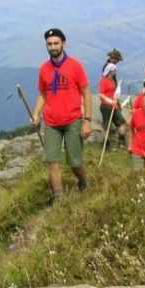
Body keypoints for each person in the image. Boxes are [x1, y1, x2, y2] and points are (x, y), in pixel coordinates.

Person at [30, 28, 92, 202]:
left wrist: (87, 121)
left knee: (75, 162)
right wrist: (36, 114)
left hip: (73, 120)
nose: (53, 47)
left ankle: (84, 183)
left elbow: (86, 92)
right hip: (51, 122)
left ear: (63, 43)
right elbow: (43, 94)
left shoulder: (75, 66)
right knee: (52, 161)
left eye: (56, 43)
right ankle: (59, 199)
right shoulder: (44, 69)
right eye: (49, 44)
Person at [98, 50, 128, 151]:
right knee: (107, 126)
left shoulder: (111, 73)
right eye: (117, 60)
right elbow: (102, 91)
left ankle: (121, 142)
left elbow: (113, 86)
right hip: (107, 103)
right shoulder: (107, 70)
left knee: (120, 123)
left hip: (113, 101)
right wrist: (110, 100)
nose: (117, 62)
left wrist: (117, 100)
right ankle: (106, 144)